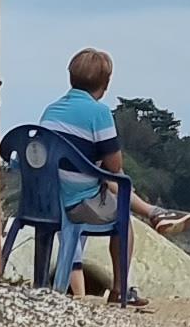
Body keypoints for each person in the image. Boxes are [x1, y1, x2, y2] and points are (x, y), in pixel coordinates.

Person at [34, 47, 134, 302]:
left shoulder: (51, 110)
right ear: (106, 83)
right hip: (78, 204)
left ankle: (40, 282)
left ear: (71, 77)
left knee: (110, 181)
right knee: (124, 217)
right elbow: (115, 165)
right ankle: (120, 290)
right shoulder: (99, 113)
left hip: (44, 203)